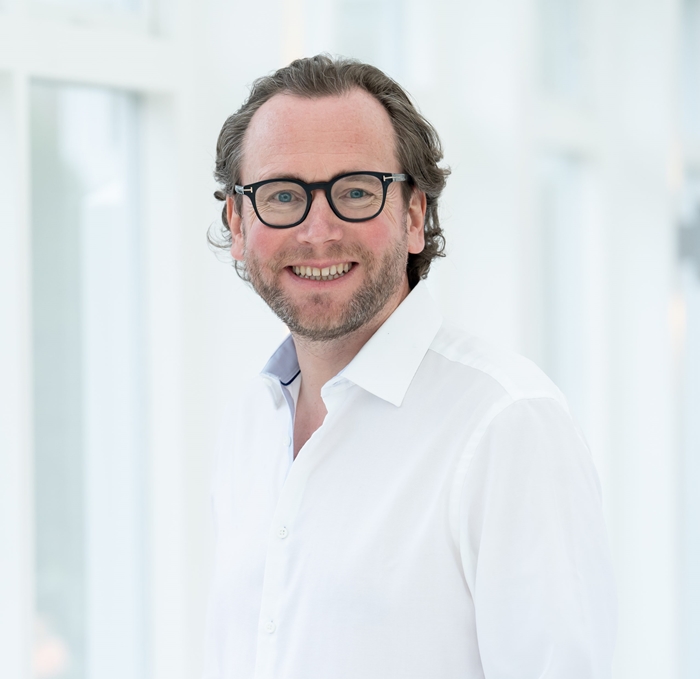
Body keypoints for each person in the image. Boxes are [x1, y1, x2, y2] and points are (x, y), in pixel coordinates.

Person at [204, 55, 616, 679]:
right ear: (237, 224)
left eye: (356, 192)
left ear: (416, 215)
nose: (318, 231)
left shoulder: (506, 426)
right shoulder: (250, 424)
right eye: (282, 195)